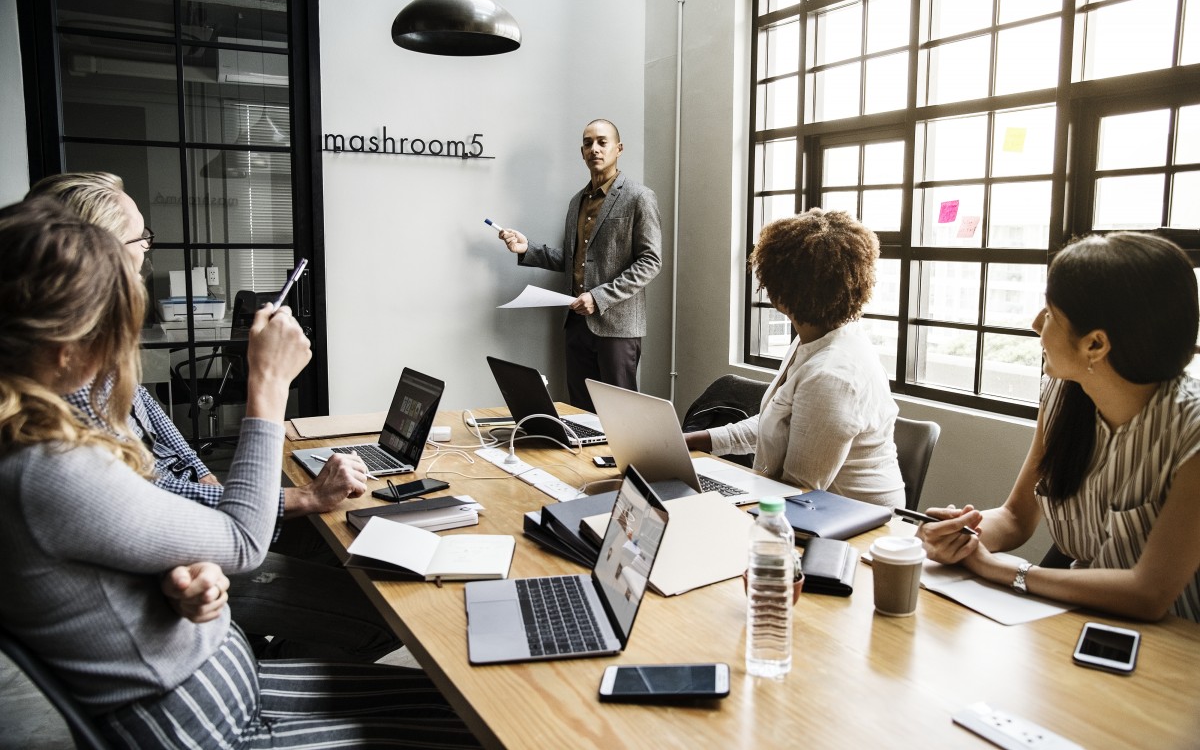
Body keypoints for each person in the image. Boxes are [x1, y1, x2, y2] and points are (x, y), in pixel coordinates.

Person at [0, 200, 479, 748]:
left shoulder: (36, 443)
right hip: (205, 729)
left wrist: (172, 576)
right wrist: (267, 384)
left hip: (221, 690)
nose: (119, 354)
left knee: (465, 708)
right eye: (114, 328)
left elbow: (103, 556)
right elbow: (244, 542)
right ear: (66, 348)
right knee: (478, 731)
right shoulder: (47, 468)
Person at [25, 171, 399, 662]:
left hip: (199, 533)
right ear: (99, 257)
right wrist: (267, 384)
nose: (146, 254)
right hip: (185, 559)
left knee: (355, 542)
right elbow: (223, 533)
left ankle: (264, 652)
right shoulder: (67, 403)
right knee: (385, 611)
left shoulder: (102, 362)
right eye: (140, 239)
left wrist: (219, 488)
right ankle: (259, 667)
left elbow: (172, 445)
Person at [919, 232, 1200, 622]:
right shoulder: (1063, 394)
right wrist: (963, 537)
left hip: (1176, 651)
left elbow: (1148, 593)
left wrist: (999, 569)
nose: (1036, 324)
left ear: (1096, 345)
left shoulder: (1192, 431)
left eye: (1050, 312)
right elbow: (1017, 518)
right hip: (1076, 623)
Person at [683, 209, 904, 509]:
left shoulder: (831, 374)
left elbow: (798, 493)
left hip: (854, 532)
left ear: (780, 294)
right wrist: (699, 440)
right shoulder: (817, 336)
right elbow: (779, 423)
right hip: (812, 510)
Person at [496, 119, 662, 411]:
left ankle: (622, 460)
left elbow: (650, 261)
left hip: (617, 328)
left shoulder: (639, 197)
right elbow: (576, 259)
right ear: (581, 151)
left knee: (621, 413)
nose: (594, 149)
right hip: (576, 326)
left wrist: (599, 298)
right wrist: (527, 249)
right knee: (581, 413)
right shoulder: (577, 202)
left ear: (618, 149)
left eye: (602, 142)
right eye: (588, 143)